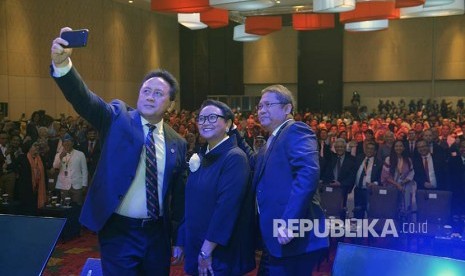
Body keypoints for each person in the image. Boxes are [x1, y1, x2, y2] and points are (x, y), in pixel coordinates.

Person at [50, 27, 187, 275]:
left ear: (171, 103)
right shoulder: (118, 118)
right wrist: (63, 66)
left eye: (158, 94)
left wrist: (179, 237)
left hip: (157, 233)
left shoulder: (177, 142)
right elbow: (85, 100)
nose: (150, 97)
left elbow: (177, 197)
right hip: (119, 230)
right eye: (146, 91)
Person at [234, 85, 328, 275]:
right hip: (273, 238)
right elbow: (256, 164)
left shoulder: (296, 130)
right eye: (259, 106)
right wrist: (234, 132)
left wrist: (290, 221)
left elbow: (307, 173)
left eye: (268, 104)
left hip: (289, 235)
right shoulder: (272, 139)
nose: (261, 110)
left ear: (287, 108)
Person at [178, 100, 255, 275]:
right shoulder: (201, 156)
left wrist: (207, 249)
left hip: (218, 250)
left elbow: (227, 207)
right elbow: (189, 202)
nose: (205, 122)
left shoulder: (235, 157)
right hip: (196, 243)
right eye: (201, 118)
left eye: (212, 117)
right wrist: (182, 239)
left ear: (228, 124)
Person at [380, 140, 416, 221]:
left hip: (404, 186)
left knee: (404, 206)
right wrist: (397, 185)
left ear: (403, 148)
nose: (398, 148)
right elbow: (385, 175)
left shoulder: (408, 160)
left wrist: (403, 183)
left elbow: (411, 173)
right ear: (393, 148)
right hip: (391, 186)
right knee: (392, 207)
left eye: (400, 146)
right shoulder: (388, 159)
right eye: (396, 146)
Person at [53, 133, 88, 205]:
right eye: (65, 142)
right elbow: (55, 167)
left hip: (77, 185)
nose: (67, 143)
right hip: (64, 185)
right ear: (62, 144)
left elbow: (84, 170)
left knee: (77, 206)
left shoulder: (80, 154)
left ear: (73, 143)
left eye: (69, 141)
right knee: (65, 206)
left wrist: (84, 184)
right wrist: (60, 158)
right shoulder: (58, 155)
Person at [15, 141, 47, 215]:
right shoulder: (22, 157)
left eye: (38, 145)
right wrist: (17, 173)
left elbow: (44, 173)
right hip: (26, 188)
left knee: (36, 210)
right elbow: (14, 166)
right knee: (27, 210)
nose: (37, 147)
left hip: (38, 187)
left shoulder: (41, 158)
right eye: (35, 145)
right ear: (29, 147)